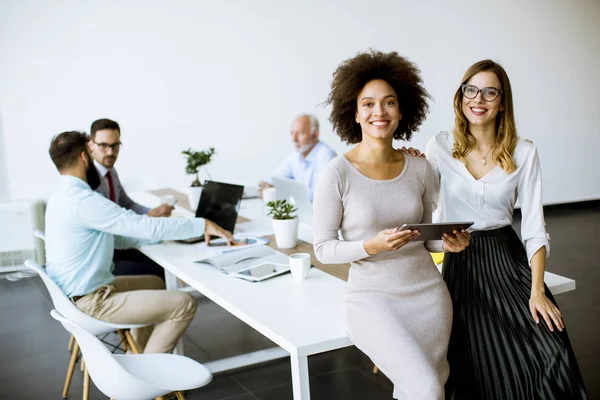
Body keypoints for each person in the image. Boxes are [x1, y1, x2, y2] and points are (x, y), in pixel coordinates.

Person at [425, 59, 588, 399]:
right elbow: (425, 218)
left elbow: (533, 226)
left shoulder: (524, 151)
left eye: (489, 92)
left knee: (549, 347)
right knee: (481, 362)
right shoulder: (438, 147)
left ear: (502, 101)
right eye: (471, 89)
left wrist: (538, 289)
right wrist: (443, 244)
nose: (478, 99)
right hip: (463, 260)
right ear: (461, 95)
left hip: (507, 258)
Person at [312, 50, 470, 400]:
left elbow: (427, 239)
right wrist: (372, 246)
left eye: (388, 103)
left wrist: (449, 243)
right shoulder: (336, 173)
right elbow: (323, 248)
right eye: (367, 104)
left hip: (429, 297)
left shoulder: (421, 167)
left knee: (423, 386)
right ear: (353, 113)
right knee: (426, 388)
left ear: (402, 111)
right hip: (372, 301)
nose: (378, 112)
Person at [45, 131, 235, 354]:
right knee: (184, 303)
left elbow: (118, 237)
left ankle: (137, 353)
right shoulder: (85, 202)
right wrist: (201, 225)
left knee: (154, 282)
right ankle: (148, 375)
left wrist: (162, 237)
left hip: (77, 295)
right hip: (92, 302)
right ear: (85, 157)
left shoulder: (60, 197)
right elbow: (141, 225)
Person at [89, 118, 171, 279]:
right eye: (104, 145)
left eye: (115, 145)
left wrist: (151, 212)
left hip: (117, 245)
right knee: (161, 268)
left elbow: (126, 203)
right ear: (91, 145)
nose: (111, 152)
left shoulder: (111, 172)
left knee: (165, 257)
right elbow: (113, 227)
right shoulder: (90, 181)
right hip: (105, 256)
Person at [258, 113, 336, 202]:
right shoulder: (296, 154)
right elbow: (274, 178)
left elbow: (319, 196)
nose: (294, 139)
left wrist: (279, 190)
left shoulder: (326, 156)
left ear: (315, 135)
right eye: (292, 133)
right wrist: (266, 185)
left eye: (300, 133)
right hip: (301, 210)